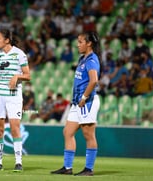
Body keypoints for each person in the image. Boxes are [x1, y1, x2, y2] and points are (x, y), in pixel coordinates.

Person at [51, 31, 101, 176]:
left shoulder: (92, 59)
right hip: (77, 102)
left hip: (86, 101)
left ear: (89, 43)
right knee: (67, 132)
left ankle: (89, 169)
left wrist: (84, 97)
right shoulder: (82, 59)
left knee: (88, 134)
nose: (77, 45)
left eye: (80, 42)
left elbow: (94, 80)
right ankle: (67, 168)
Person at [0, 29, 30, 171]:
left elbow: (28, 75)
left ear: (7, 40)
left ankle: (18, 162)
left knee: (15, 128)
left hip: (14, 96)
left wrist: (16, 77)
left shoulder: (20, 54)